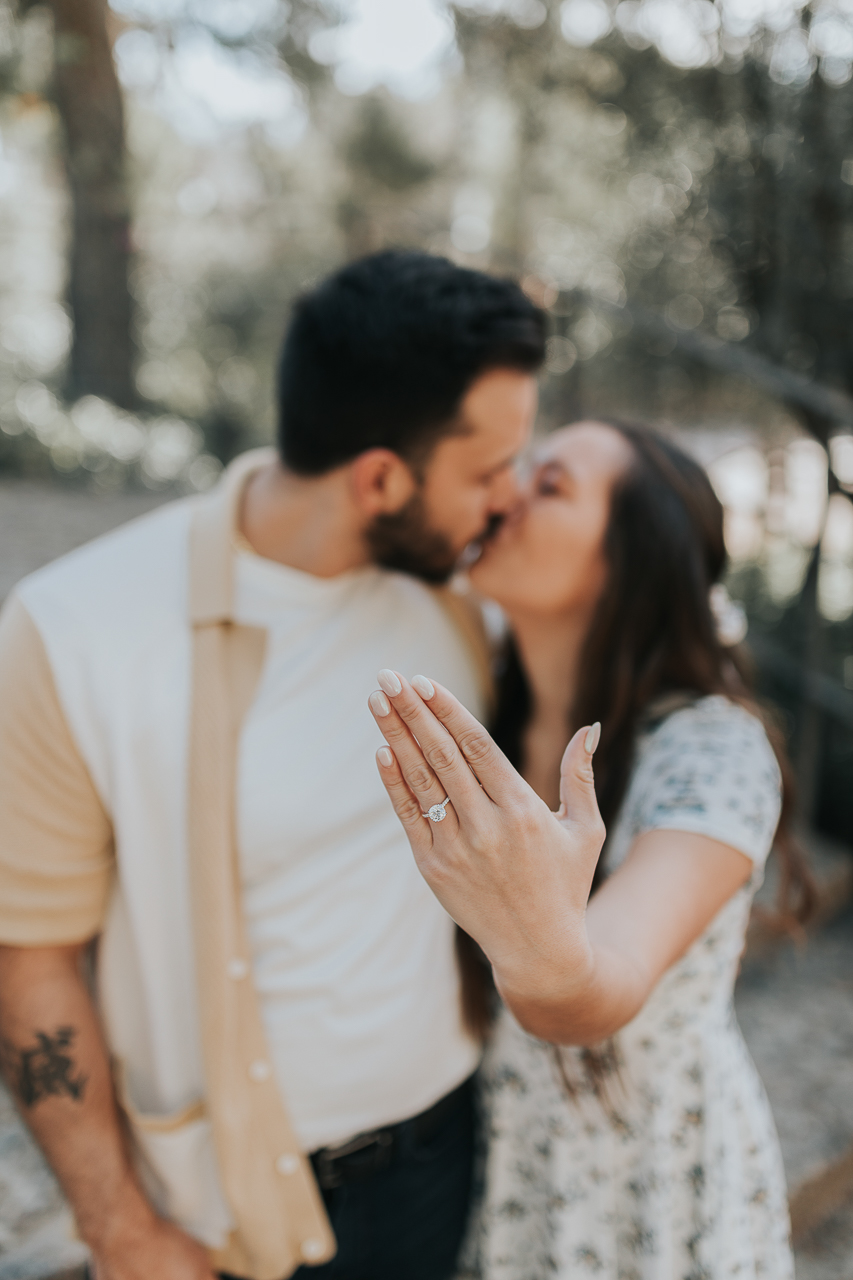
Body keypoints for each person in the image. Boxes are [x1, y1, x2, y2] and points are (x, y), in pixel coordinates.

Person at [0, 250, 548, 1280]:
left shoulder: (472, 598)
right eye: (487, 471)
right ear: (380, 476)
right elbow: (26, 952)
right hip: (221, 1212)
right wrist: (117, 1225)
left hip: (442, 1149)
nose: (509, 500)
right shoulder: (74, 630)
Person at [367, 419, 814, 1279]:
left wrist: (543, 945)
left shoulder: (711, 748)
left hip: (652, 1192)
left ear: (628, 562)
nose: (506, 493)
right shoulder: (470, 695)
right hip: (497, 1176)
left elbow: (602, 983)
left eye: (550, 485)